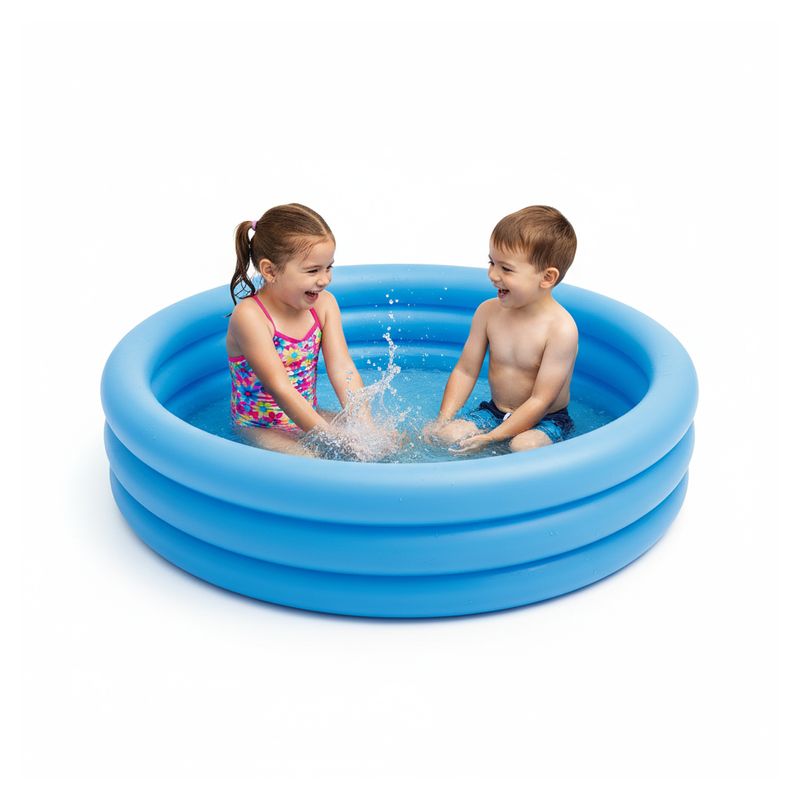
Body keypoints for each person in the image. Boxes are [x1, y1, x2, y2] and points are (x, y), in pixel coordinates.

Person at [424, 205, 579, 454]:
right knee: (446, 436)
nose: (492, 275)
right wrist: (443, 419)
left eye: (506, 269)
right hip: (496, 411)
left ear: (547, 277)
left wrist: (491, 438)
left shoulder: (560, 329)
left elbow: (541, 399)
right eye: (491, 262)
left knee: (522, 447)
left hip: (546, 419)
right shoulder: (488, 312)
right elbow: (465, 371)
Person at [226, 203, 368, 456]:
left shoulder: (324, 305)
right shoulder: (251, 316)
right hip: (262, 427)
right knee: (311, 462)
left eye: (328, 267)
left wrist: (365, 426)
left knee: (383, 442)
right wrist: (331, 438)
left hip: (307, 414)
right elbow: (280, 387)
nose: (325, 279)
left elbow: (342, 368)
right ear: (270, 271)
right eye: (313, 270)